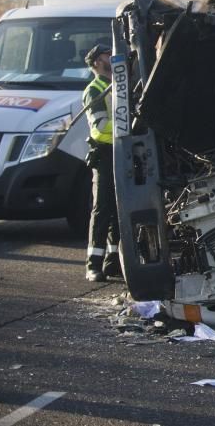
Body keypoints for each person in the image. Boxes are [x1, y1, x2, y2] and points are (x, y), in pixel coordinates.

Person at [82, 44, 120, 282]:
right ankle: (93, 265)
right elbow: (100, 128)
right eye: (106, 55)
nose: (111, 57)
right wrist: (127, 129)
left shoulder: (119, 85)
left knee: (119, 210)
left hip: (122, 152)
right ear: (96, 62)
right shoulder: (95, 90)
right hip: (105, 154)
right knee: (103, 208)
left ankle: (112, 261)